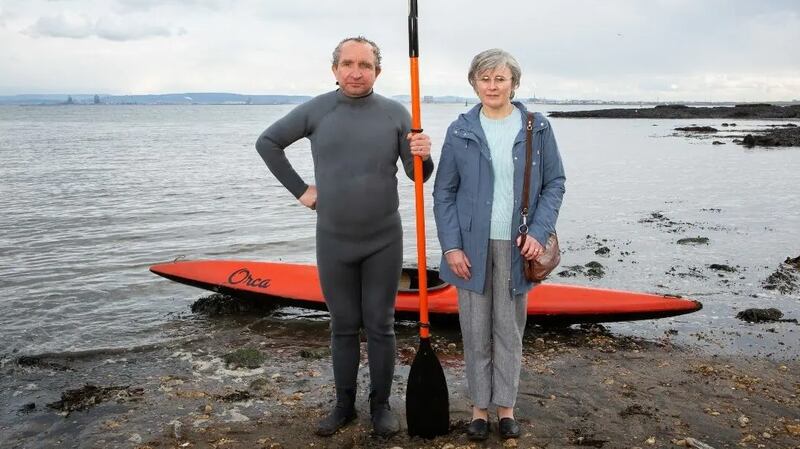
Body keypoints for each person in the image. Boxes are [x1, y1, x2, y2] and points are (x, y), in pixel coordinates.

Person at [255, 36, 433, 437]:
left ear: (378, 72)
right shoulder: (318, 110)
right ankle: (344, 405)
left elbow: (417, 176)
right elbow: (267, 143)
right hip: (334, 238)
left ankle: (382, 405)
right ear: (334, 69)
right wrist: (301, 190)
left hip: (383, 238)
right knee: (343, 325)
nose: (356, 71)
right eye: (348, 64)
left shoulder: (395, 114)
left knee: (381, 325)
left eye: (365, 65)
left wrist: (424, 153)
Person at [432, 49, 565, 441]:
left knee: (509, 330)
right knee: (474, 332)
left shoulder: (536, 128)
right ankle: (478, 410)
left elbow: (555, 183)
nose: (492, 86)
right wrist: (452, 247)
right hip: (470, 249)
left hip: (517, 247)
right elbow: (444, 192)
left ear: (514, 84)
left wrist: (539, 233)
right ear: (474, 83)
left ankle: (505, 409)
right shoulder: (459, 131)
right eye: (485, 79)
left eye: (500, 79)